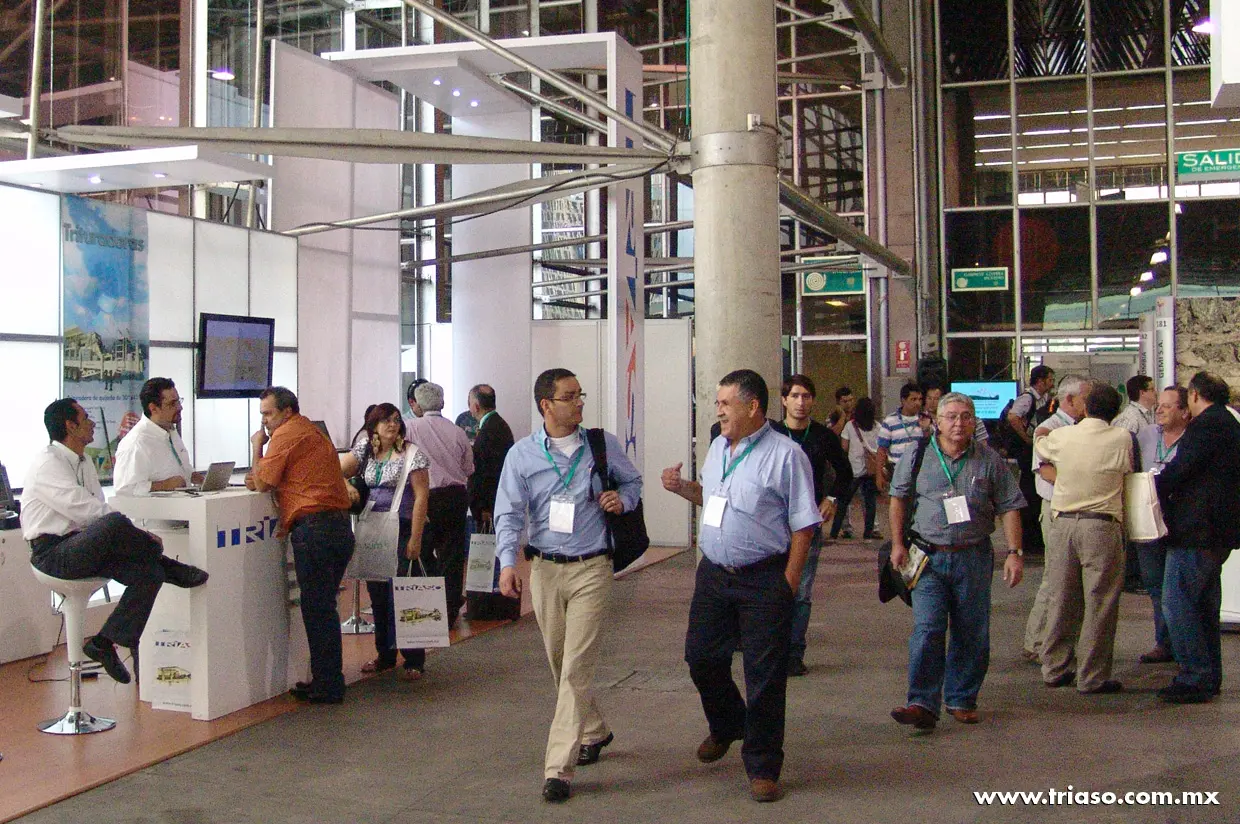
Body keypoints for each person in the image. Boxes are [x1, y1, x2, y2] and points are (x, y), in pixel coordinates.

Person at [662, 369, 820, 803]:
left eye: (725, 403)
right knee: (701, 658)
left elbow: (804, 525)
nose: (718, 411)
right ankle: (729, 722)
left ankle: (763, 765)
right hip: (714, 575)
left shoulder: (786, 456)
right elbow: (712, 497)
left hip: (763, 578)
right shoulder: (717, 447)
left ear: (752, 407)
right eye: (717, 403)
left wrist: (788, 584)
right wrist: (682, 488)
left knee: (764, 676)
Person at [494, 368, 641, 804]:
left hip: (592, 567)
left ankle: (558, 767)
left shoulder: (601, 445)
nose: (579, 403)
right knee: (559, 660)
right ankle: (594, 730)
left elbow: (632, 481)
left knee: (576, 665)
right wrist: (507, 564)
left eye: (580, 395)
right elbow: (508, 513)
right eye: (569, 396)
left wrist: (623, 500)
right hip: (544, 568)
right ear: (546, 405)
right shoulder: (522, 455)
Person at [21, 399, 209, 684]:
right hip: (53, 553)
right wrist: (140, 534)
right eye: (85, 418)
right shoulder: (48, 463)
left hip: (81, 544)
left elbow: (95, 511)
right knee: (115, 523)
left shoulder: (84, 462)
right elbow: (84, 509)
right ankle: (170, 566)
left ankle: (104, 642)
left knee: (150, 573)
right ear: (70, 426)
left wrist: (129, 533)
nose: (92, 423)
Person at [888, 392, 1025, 731]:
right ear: (937, 421)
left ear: (974, 421)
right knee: (928, 628)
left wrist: (1014, 552)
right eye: (951, 416)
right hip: (928, 558)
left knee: (971, 631)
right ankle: (921, 702)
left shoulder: (989, 460)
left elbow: (1009, 506)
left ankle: (961, 698)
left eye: (966, 416)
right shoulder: (917, 454)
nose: (959, 423)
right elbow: (898, 499)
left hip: (973, 556)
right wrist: (897, 544)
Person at [246, 387, 354, 704]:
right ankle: (327, 678)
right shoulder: (312, 431)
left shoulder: (286, 434)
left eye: (268, 413)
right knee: (324, 608)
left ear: (287, 411)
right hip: (338, 526)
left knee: (318, 610)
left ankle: (328, 684)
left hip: (314, 529)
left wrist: (256, 447)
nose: (264, 421)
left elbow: (262, 482)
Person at [1033, 381, 1130, 695]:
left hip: (1063, 524)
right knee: (1100, 602)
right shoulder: (1122, 437)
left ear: (1086, 408)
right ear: (1116, 411)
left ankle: (1054, 667)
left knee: (1062, 597)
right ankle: (1092, 676)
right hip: (1101, 526)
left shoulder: (1063, 436)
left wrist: (1043, 430)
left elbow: (1040, 441)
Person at [1154, 371, 1240, 704]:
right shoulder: (1228, 423)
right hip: (1217, 531)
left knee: (1176, 602)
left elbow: (1181, 470)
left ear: (1194, 395)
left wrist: (1154, 484)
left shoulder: (1206, 427)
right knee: (1203, 606)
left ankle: (1194, 675)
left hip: (1197, 531)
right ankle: (1208, 675)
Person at [339, 403, 431, 680]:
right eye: (386, 421)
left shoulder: (412, 454)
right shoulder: (366, 450)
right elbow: (336, 470)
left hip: (402, 528)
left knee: (404, 593)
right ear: (374, 426)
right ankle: (385, 654)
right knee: (378, 593)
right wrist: (347, 485)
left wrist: (416, 538)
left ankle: (414, 658)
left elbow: (421, 497)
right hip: (373, 528)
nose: (392, 425)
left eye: (396, 420)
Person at [769, 374, 851, 676]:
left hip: (807, 522)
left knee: (801, 589)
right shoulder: (772, 433)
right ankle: (770, 647)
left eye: (806, 396)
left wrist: (831, 498)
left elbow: (845, 473)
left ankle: (794, 652)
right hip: (772, 521)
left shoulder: (822, 436)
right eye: (795, 396)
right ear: (784, 400)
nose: (800, 402)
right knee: (771, 585)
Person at [1020, 375, 1089, 663]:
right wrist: (1080, 483)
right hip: (1056, 509)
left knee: (1069, 580)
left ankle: (1058, 640)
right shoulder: (1049, 428)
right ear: (1069, 399)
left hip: (1073, 508)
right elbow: (1045, 470)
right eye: (1086, 398)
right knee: (1055, 577)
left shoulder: (1080, 427)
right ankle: (1037, 641)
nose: (1089, 404)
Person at [405, 381, 474, 629]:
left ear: (417, 404)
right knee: (453, 554)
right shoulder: (457, 431)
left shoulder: (410, 428)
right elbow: (468, 468)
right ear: (442, 403)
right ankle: (450, 608)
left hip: (424, 497)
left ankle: (428, 607)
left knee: (422, 551)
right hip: (455, 496)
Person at [1132, 385, 1190, 666]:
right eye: (1160, 405)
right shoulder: (1145, 436)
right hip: (1148, 521)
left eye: (1168, 405)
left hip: (1180, 521)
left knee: (1178, 589)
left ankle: (1184, 645)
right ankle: (1163, 642)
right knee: (1156, 586)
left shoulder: (1193, 440)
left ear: (1185, 411)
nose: (1160, 410)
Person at [113, 377, 201, 495]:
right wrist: (165, 485)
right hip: (157, 507)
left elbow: (182, 470)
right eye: (172, 404)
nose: (180, 407)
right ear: (153, 408)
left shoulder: (170, 431)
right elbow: (124, 490)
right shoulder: (136, 443)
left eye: (179, 401)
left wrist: (199, 479)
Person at [1007, 365, 1055, 556]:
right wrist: (1027, 438)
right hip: (1026, 451)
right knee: (1029, 492)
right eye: (1049, 379)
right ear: (1040, 381)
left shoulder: (1043, 399)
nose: (1052, 383)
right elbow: (1013, 417)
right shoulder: (1027, 398)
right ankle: (1028, 539)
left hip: (1033, 448)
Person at [466, 383, 515, 527]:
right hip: (497, 500)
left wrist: (483, 507)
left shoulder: (489, 430)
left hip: (489, 506)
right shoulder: (497, 424)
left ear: (476, 406)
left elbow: (487, 472)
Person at [833, 396, 881, 540]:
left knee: (843, 502)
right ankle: (868, 533)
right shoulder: (877, 426)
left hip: (853, 470)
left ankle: (835, 532)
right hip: (871, 470)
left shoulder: (850, 426)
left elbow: (844, 448)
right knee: (870, 503)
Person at [875, 382, 927, 492]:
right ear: (903, 400)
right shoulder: (890, 421)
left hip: (921, 471)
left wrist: (926, 430)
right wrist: (879, 475)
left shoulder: (925, 420)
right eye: (913, 399)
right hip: (897, 470)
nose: (918, 403)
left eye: (920, 399)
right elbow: (881, 450)